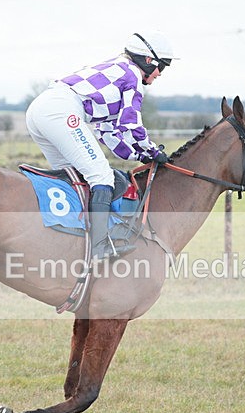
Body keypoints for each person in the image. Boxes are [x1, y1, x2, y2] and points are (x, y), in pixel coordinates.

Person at [26, 31, 176, 262]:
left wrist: (138, 154)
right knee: (101, 176)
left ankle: (69, 239)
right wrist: (153, 151)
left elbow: (110, 133)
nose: (159, 74)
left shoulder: (118, 70)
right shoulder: (132, 75)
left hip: (41, 109)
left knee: (76, 178)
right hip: (61, 110)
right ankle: (99, 247)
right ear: (148, 60)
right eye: (162, 67)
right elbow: (132, 124)